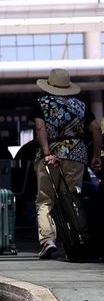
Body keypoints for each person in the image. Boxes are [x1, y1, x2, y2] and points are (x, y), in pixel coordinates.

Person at [31, 68, 103, 259]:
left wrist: (47, 153)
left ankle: (47, 241)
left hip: (50, 155)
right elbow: (96, 129)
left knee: (45, 200)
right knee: (72, 199)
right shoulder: (81, 105)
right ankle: (76, 238)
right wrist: (96, 155)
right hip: (76, 155)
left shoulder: (41, 103)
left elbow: (40, 127)